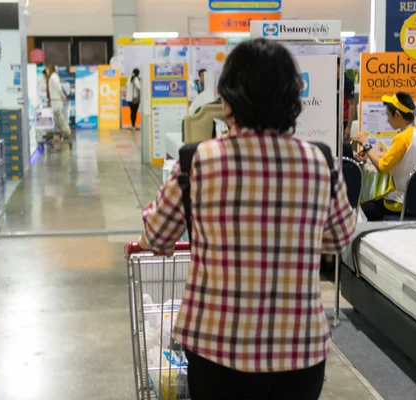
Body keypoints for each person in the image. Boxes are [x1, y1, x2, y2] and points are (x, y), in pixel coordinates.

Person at [138, 38, 356, 400]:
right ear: (292, 98)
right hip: (298, 351)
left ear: (228, 99)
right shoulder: (320, 161)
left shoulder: (197, 162)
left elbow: (156, 235)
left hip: (216, 351)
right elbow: (339, 239)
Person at [353, 92, 416, 221]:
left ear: (397, 115)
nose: (387, 120)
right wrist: (370, 154)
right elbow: (399, 155)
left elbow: (382, 167)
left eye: (388, 115)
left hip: (402, 202)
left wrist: (366, 144)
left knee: (361, 210)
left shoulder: (402, 138)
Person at [45, 65, 70, 141]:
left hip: (56, 101)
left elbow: (59, 88)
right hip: (54, 101)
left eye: (47, 69)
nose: (46, 71)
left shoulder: (54, 77)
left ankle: (65, 131)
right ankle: (60, 133)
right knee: (57, 118)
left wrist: (63, 96)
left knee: (59, 118)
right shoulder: (52, 77)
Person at [339, 59, 357, 158]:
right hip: (333, 120)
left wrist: (349, 126)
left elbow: (352, 104)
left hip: (344, 120)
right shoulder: (330, 80)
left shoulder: (347, 82)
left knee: (344, 148)